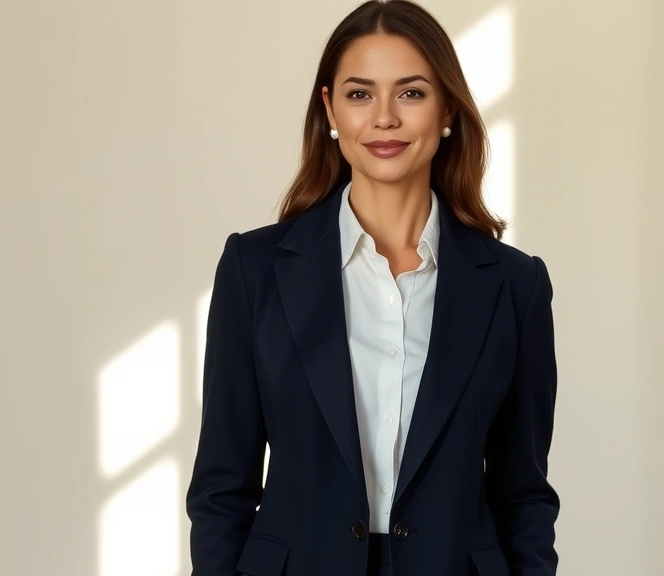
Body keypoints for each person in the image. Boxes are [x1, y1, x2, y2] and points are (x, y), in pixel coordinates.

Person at [186, 1, 559, 574]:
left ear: (448, 112)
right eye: (360, 94)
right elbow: (221, 490)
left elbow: (524, 496)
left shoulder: (514, 285)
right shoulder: (254, 269)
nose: (384, 118)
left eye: (411, 93)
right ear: (330, 109)